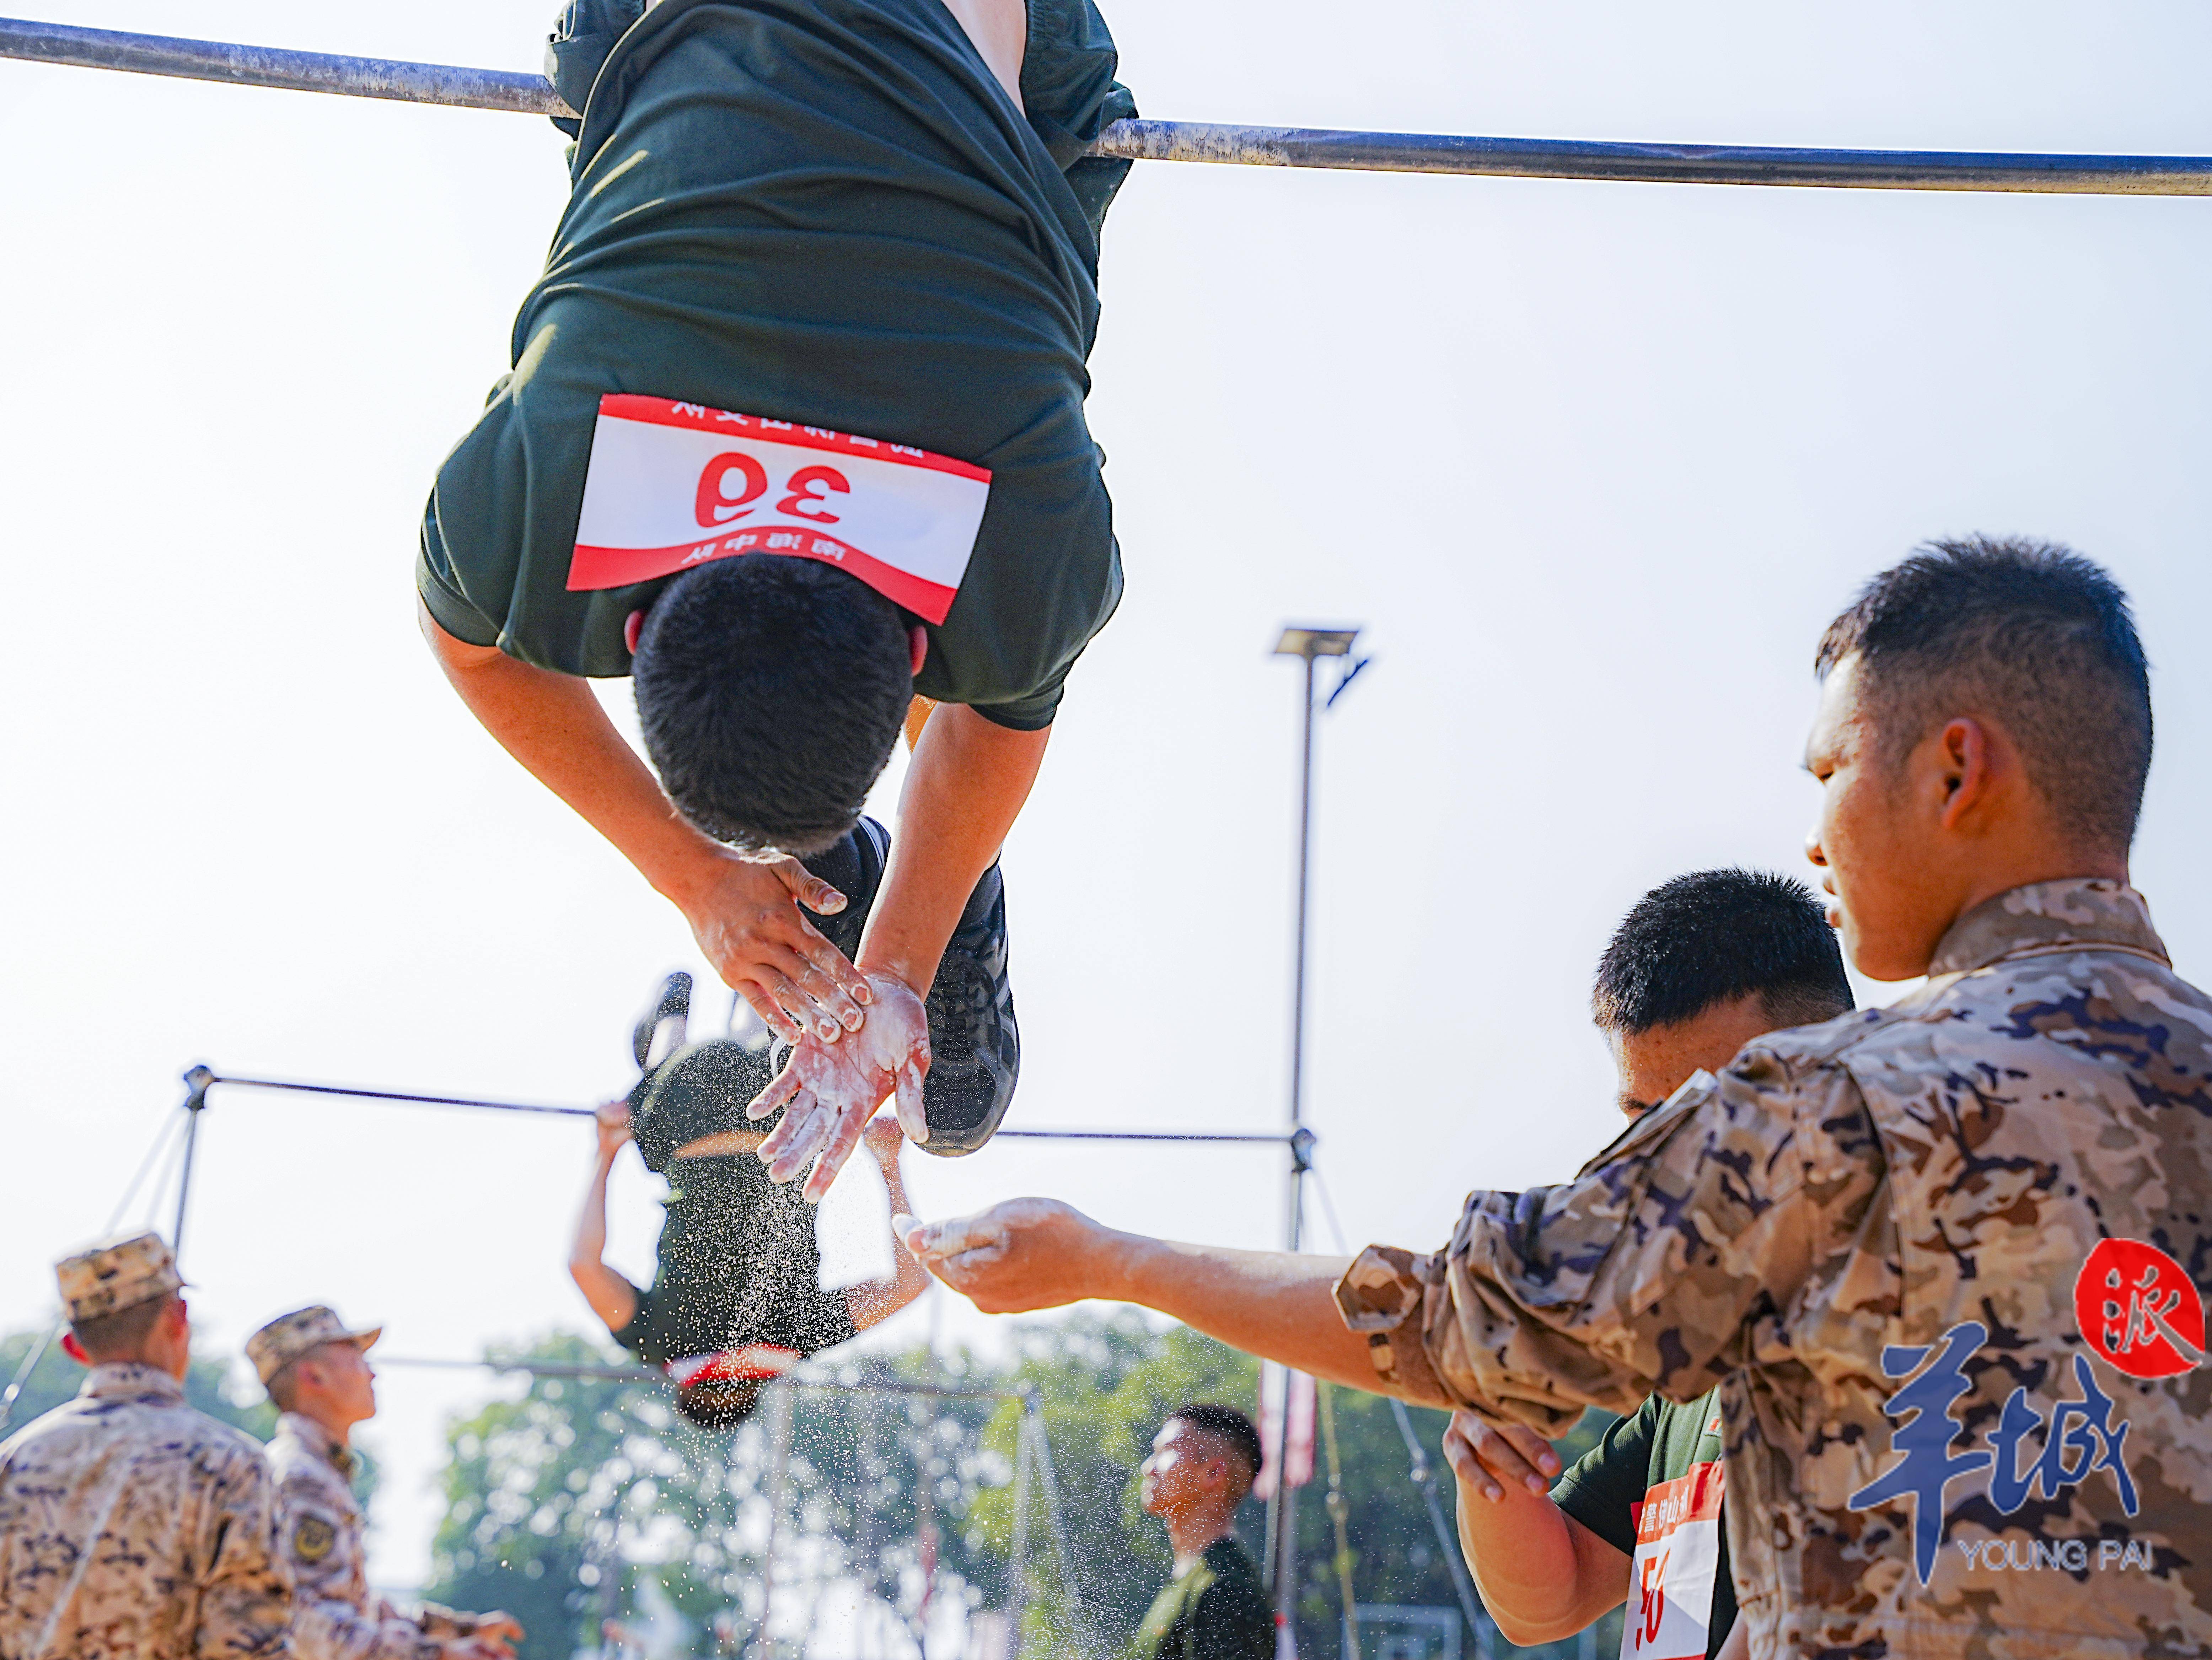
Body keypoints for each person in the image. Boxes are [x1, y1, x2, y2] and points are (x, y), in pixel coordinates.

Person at [896, 539, 2212, 1654]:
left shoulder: (1830, 1104)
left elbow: (1447, 1321)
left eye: (1828, 770)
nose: (1813, 834)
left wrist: (1109, 1256)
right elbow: (1555, 1578)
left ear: (1951, 770)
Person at [417, 0, 1139, 1198]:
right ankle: (936, 874)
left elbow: (997, 710)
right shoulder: (545, 478)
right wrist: (703, 880)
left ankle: (938, 880)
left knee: (1043, 163)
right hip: (716, 42)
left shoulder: (1032, 523)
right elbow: (480, 652)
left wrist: (850, 945)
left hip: (939, 70)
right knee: (609, 84)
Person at [1449, 869, 1853, 1660]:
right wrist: (1490, 1460)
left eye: (1704, 1113)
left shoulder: (1919, 1328)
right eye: (1643, 1117)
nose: (1666, 1158)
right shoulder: (1696, 1357)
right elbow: (1549, 1598)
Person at [569, 975, 930, 1425]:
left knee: (760, 1028)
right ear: (682, 1390)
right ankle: (667, 1026)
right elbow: (583, 1265)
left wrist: (888, 1162)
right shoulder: (657, 1342)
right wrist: (606, 1152)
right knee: (669, 1068)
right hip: (686, 1121)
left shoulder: (797, 1339)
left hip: (785, 1118)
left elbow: (910, 1284)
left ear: (756, 1395)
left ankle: (744, 991)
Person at [0, 1231, 293, 1659]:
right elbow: (248, 1645)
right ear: (179, 1319)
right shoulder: (230, 1463)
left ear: (73, 1347)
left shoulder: (14, 1461)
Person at [248, 1306, 524, 1660]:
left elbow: (351, 1607)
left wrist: (459, 1631)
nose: (372, 1373)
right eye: (355, 1356)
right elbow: (312, 1626)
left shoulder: (314, 1471)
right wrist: (438, 1655)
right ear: (313, 1376)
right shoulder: (302, 1478)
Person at [1129, 1405, 1275, 1660]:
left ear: (1213, 1473)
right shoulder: (1190, 1580)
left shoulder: (1226, 1592)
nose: (1148, 1469)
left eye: (1166, 1451)